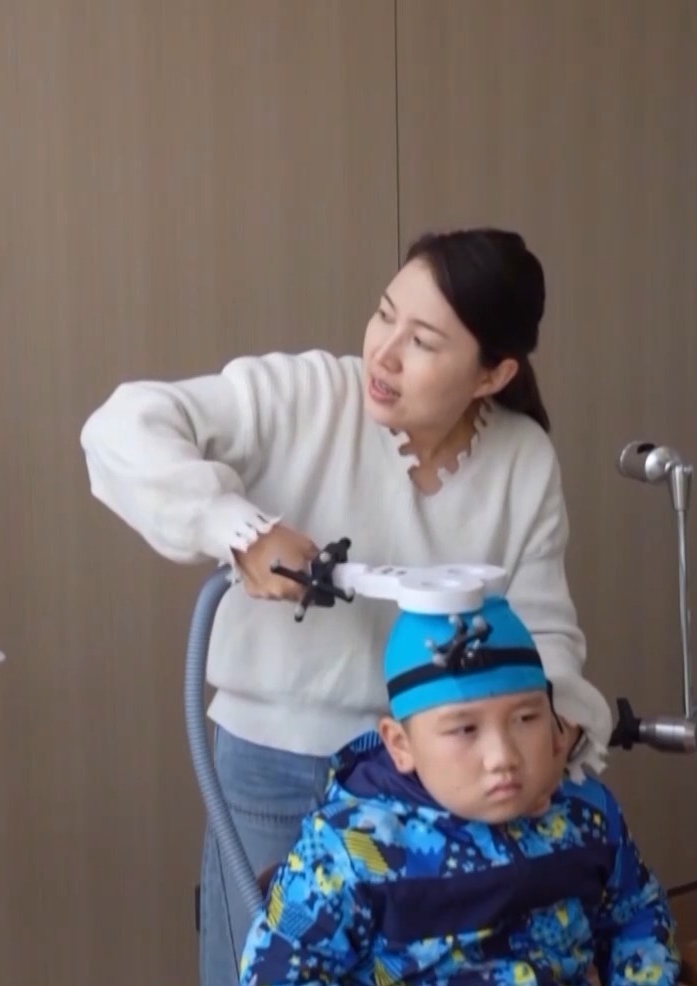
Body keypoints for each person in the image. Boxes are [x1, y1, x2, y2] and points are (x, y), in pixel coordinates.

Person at [79, 228, 615, 986]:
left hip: (435, 782)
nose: (384, 354)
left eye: (423, 341)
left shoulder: (522, 458)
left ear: (493, 373)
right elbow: (120, 428)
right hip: (275, 771)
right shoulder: (305, 396)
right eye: (384, 315)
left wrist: (553, 730)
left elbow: (542, 630)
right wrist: (238, 528)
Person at [237, 597, 677, 985]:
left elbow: (636, 913)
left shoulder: (586, 815)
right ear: (400, 745)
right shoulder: (348, 850)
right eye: (465, 729)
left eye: (526, 719)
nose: (502, 756)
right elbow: (279, 974)